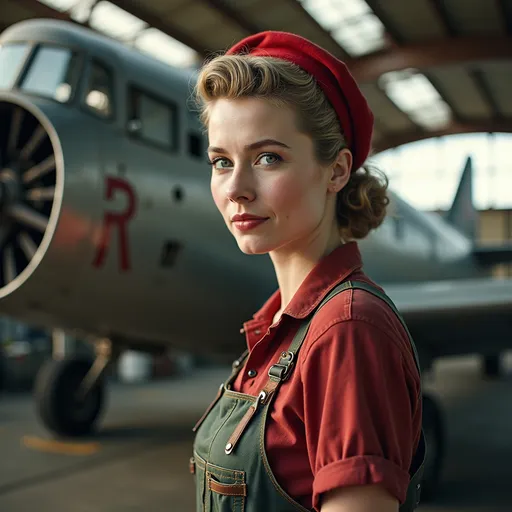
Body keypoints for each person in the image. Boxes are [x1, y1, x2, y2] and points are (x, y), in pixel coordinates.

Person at [189, 30, 425, 512]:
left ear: (336, 171)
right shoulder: (284, 325)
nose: (236, 187)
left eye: (267, 158)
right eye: (220, 161)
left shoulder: (348, 331)